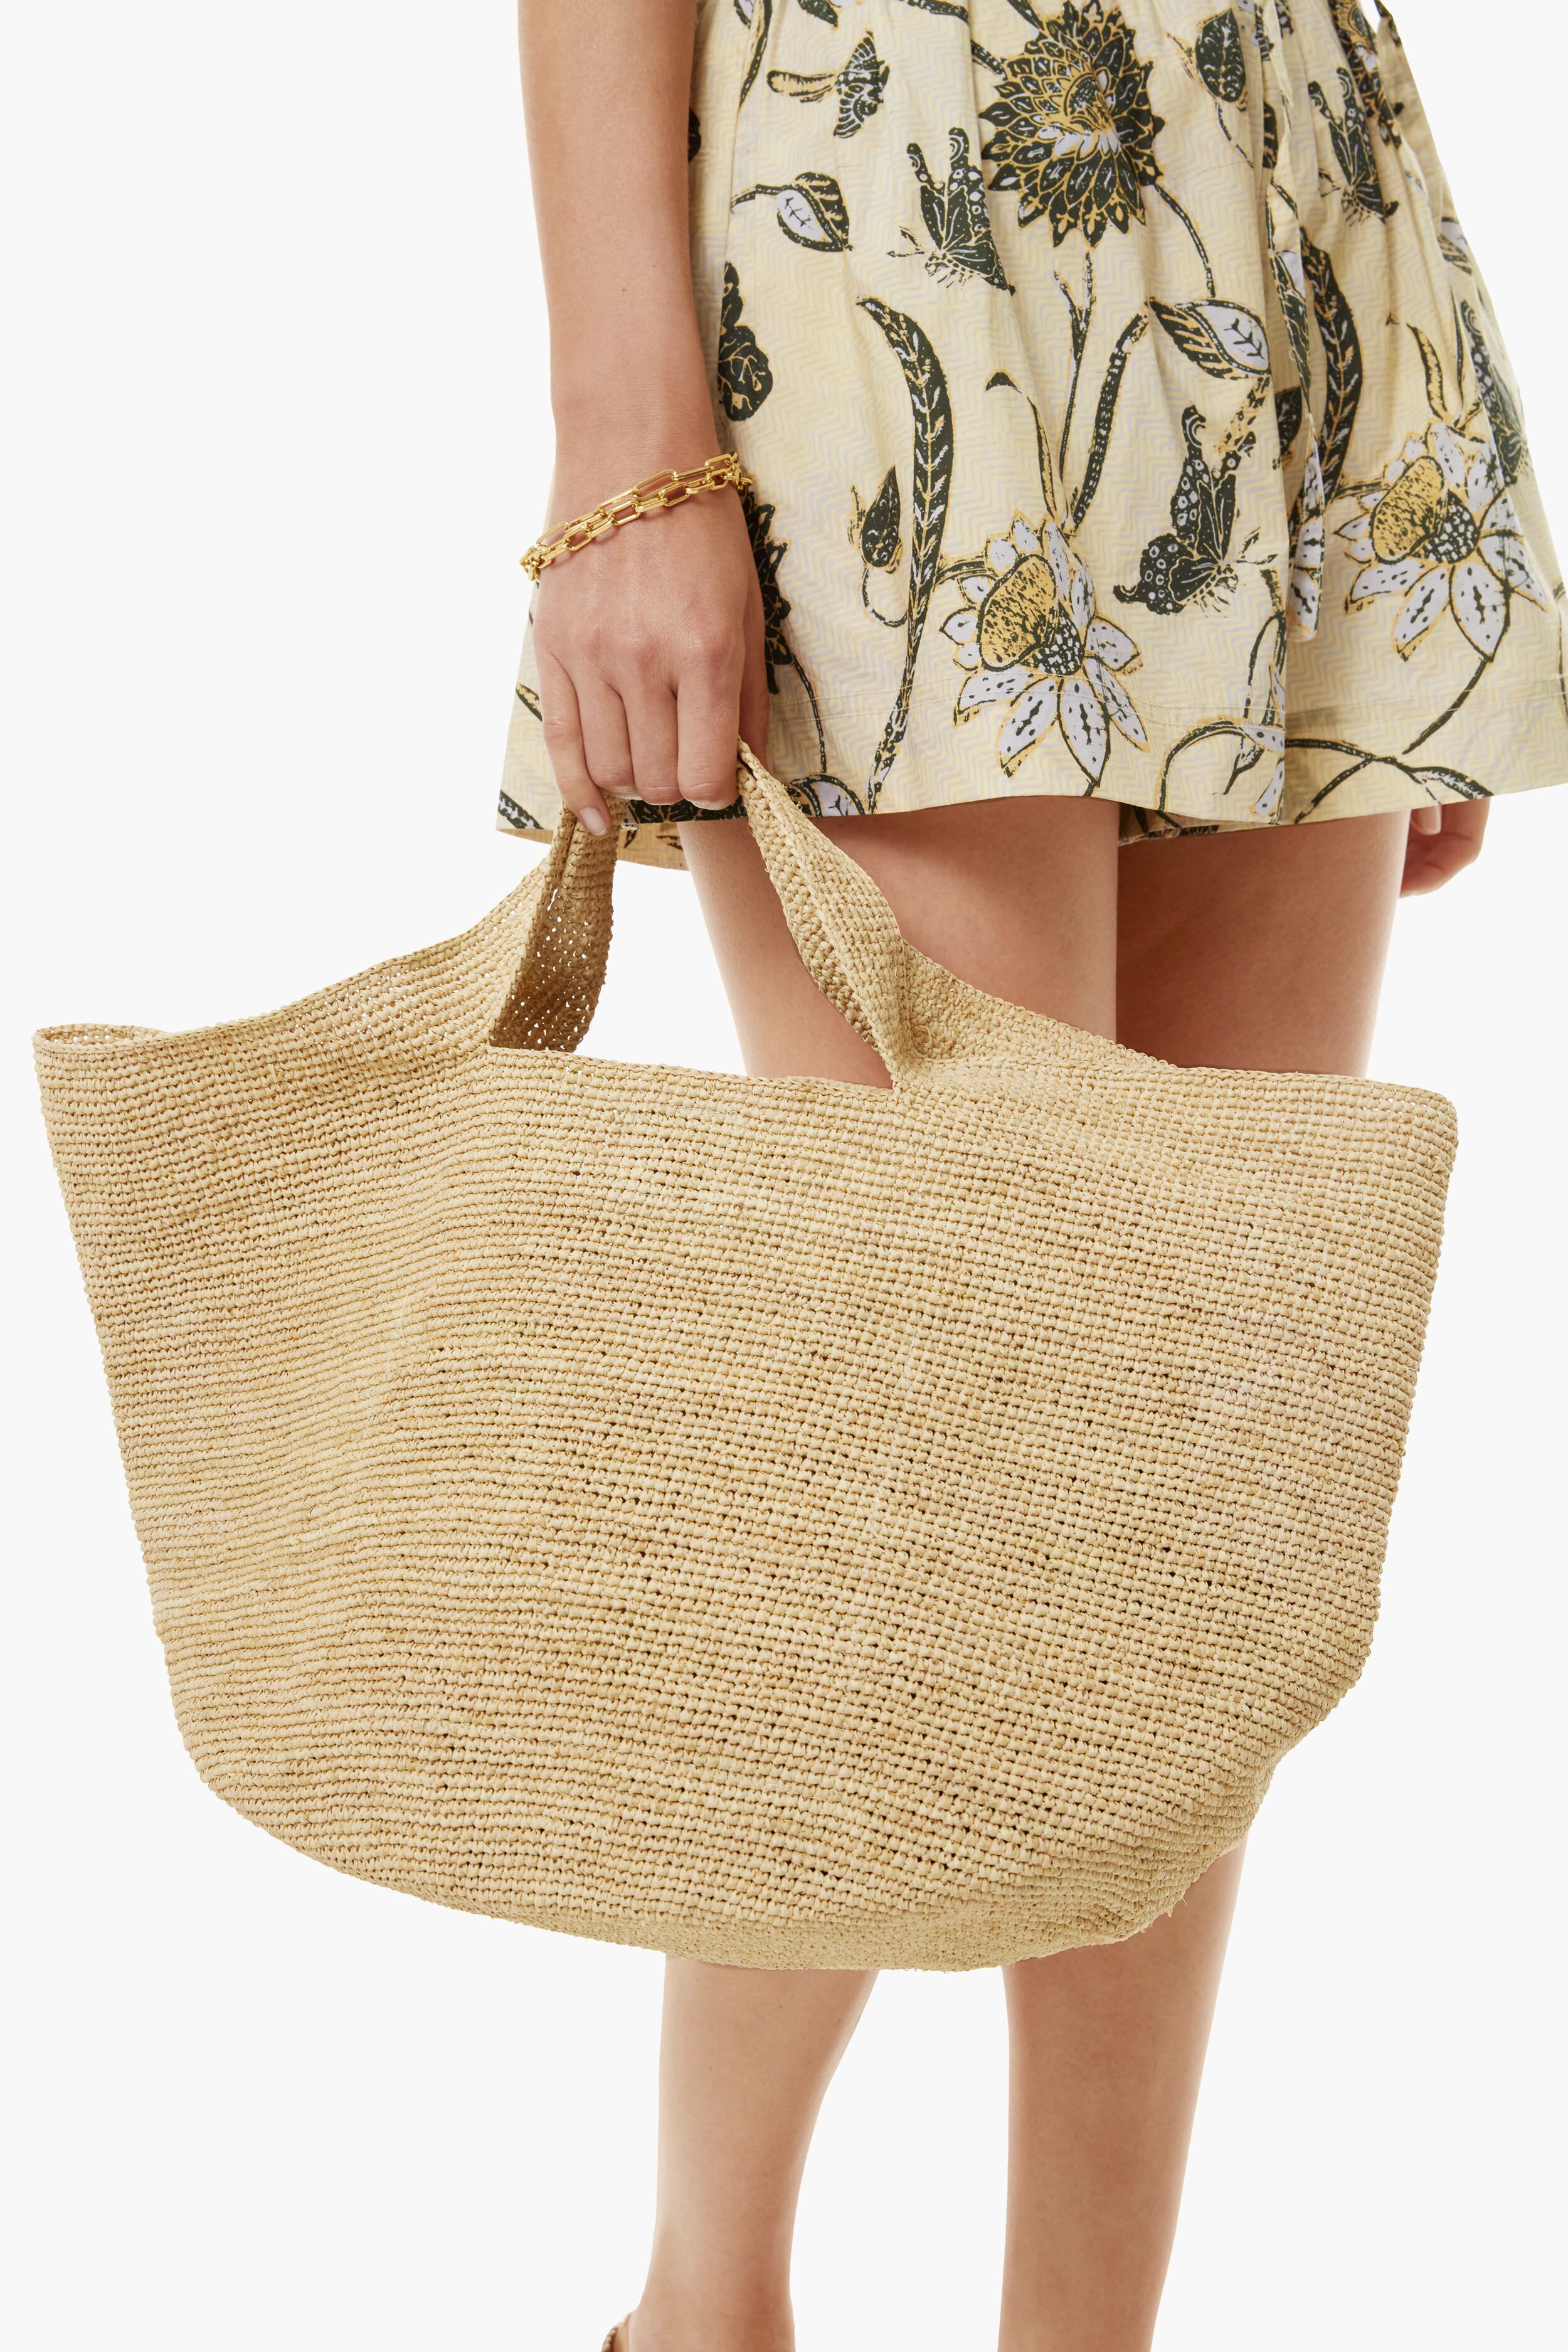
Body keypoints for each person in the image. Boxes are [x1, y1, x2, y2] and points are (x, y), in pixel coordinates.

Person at [502, 6, 1565, 2346]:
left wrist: (1400, 579)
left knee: (1190, 1506)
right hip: (899, 205)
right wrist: (624, 446)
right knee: (932, 1494)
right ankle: (701, 2313)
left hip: (1285, 208)